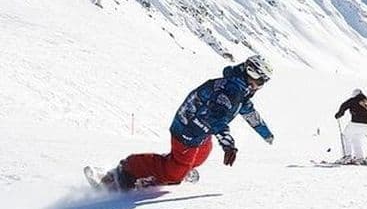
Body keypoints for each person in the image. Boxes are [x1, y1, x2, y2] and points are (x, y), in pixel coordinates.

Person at [96, 55, 275, 191]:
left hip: (202, 132)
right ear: (251, 73)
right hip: (187, 129)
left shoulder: (241, 90)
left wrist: (266, 134)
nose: (261, 85)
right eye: (261, 80)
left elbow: (248, 111)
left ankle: (173, 169)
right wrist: (228, 144)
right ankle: (124, 171)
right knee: (174, 173)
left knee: (200, 156)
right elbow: (216, 118)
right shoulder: (231, 90)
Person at [334, 89, 367, 165]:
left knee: (345, 136)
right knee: (356, 139)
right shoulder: (366, 102)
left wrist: (338, 114)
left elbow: (344, 105)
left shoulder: (354, 100)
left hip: (356, 123)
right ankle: (359, 158)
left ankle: (347, 156)